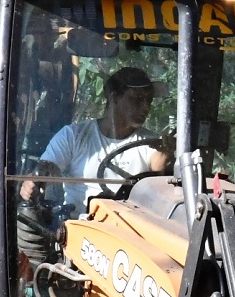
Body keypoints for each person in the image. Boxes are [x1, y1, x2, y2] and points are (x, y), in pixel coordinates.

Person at [25, 65, 169, 217]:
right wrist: (34, 181)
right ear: (114, 98)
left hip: (130, 229)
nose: (146, 107)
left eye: (149, 100)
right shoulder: (73, 135)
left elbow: (160, 186)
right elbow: (48, 167)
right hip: (78, 227)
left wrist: (166, 156)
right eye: (137, 99)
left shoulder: (152, 143)